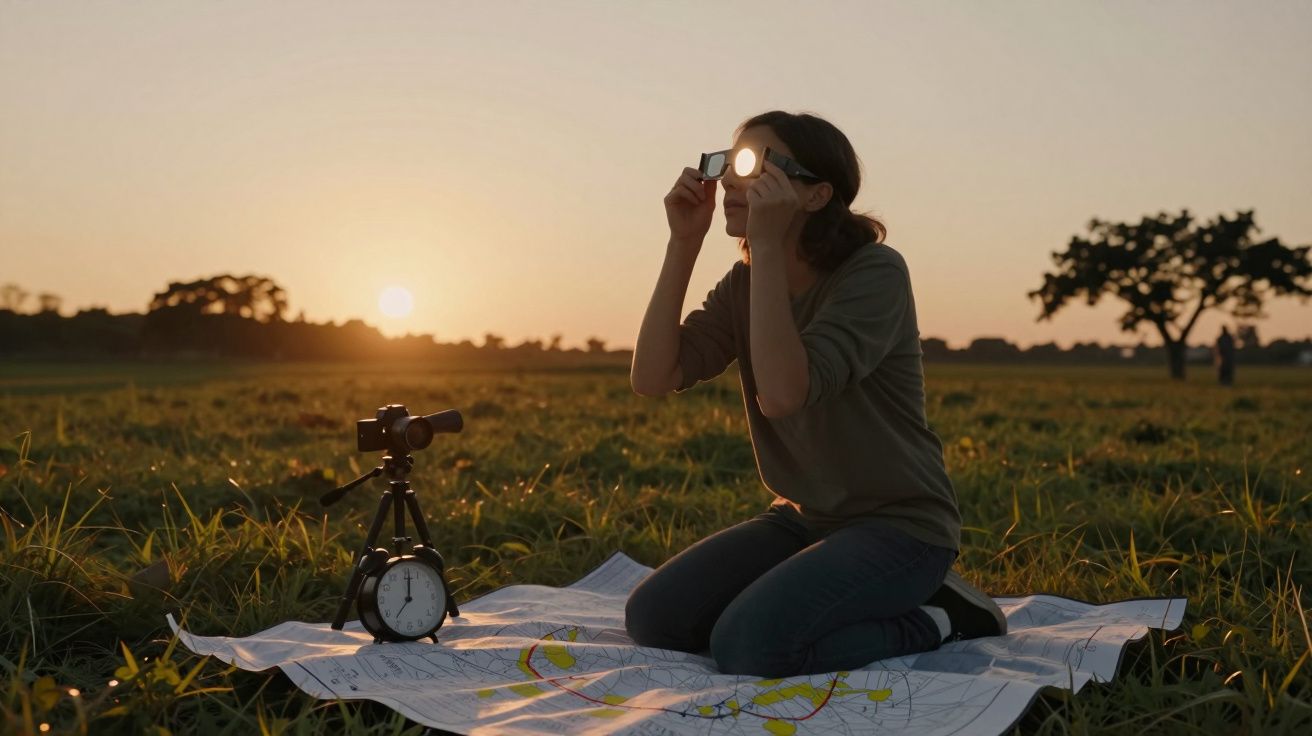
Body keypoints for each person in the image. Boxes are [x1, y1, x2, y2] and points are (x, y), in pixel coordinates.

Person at [626, 110, 1005, 678]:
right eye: (728, 163)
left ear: (815, 194)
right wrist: (684, 242)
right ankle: (811, 597)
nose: (730, 180)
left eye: (753, 166)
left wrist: (767, 247)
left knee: (748, 647)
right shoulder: (746, 284)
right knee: (654, 617)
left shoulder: (874, 273)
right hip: (804, 519)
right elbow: (653, 378)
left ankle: (941, 616)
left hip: (901, 527)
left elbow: (782, 394)